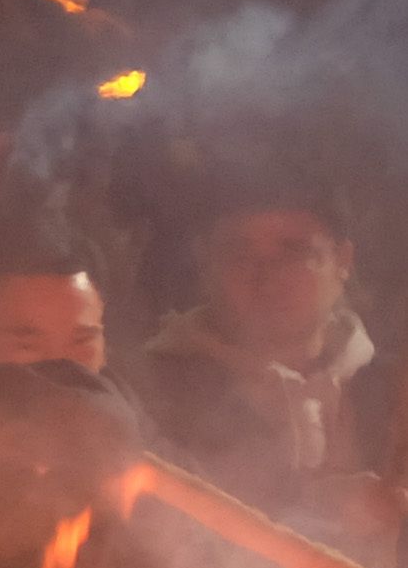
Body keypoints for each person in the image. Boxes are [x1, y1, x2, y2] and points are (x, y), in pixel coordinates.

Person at [134, 182, 392, 542]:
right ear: (206, 261)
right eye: (240, 256)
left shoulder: (394, 392)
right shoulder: (147, 395)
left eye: (294, 253)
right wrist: (324, 509)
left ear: (343, 261)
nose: (267, 277)